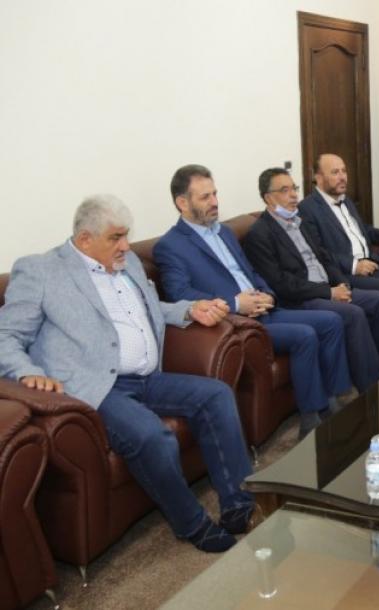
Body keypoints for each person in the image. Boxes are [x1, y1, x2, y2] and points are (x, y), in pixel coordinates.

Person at [0, 195, 254, 553]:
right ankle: (193, 524)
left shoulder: (127, 261)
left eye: (126, 235)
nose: (125, 245)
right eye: (116, 237)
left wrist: (188, 310)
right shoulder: (41, 271)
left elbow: (150, 309)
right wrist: (27, 372)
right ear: (85, 239)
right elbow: (6, 335)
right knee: (152, 436)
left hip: (148, 378)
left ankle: (238, 503)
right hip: (97, 388)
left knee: (216, 395)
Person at [153, 164, 352, 438]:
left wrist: (267, 293)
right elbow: (180, 295)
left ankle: (335, 398)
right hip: (236, 323)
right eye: (205, 197)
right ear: (182, 203)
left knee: (331, 321)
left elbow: (251, 272)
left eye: (215, 194)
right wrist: (236, 304)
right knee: (304, 335)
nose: (215, 202)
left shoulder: (224, 232)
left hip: (264, 309)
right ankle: (312, 417)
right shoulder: (171, 246)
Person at [242, 167, 379, 389]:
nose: (293, 195)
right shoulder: (259, 234)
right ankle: (372, 387)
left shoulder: (299, 221)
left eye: (294, 188)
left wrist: (342, 283)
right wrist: (329, 293)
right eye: (284, 190)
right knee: (354, 313)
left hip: (328, 287)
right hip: (301, 298)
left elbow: (325, 258)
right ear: (268, 198)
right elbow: (281, 284)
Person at [298, 153, 379, 355]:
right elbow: (318, 252)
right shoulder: (307, 209)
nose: (342, 177)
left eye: (344, 171)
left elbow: (363, 230)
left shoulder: (346, 201)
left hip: (372, 265)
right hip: (345, 274)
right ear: (318, 177)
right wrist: (354, 265)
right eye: (335, 172)